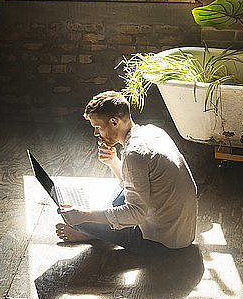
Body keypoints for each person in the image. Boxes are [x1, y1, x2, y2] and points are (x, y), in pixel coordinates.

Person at [56, 90, 198, 255]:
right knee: (118, 194)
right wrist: (113, 161)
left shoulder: (134, 154)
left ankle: (89, 233)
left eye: (97, 127)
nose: (96, 133)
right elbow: (133, 184)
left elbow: (136, 213)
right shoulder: (153, 131)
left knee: (78, 220)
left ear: (114, 122)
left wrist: (83, 215)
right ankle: (95, 230)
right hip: (181, 232)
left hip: (161, 243)